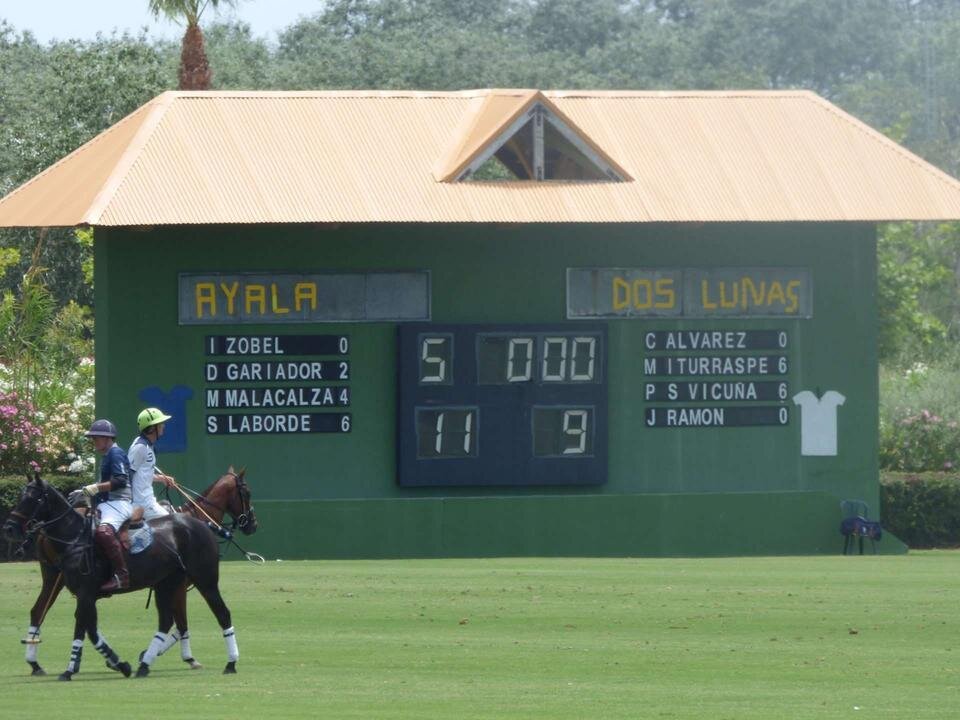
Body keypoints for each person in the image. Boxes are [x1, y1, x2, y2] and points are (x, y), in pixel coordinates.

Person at [82, 419, 132, 593]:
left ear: (107, 438)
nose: (94, 441)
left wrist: (96, 487)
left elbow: (120, 480)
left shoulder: (116, 453)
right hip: (107, 503)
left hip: (119, 503)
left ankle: (121, 576)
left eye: (96, 438)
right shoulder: (107, 455)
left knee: (104, 532)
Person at [128, 407, 176, 521]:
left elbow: (141, 475)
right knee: (172, 523)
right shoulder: (140, 447)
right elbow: (127, 475)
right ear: (152, 428)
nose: (163, 426)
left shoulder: (147, 446)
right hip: (142, 505)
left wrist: (162, 478)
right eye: (160, 424)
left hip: (147, 502)